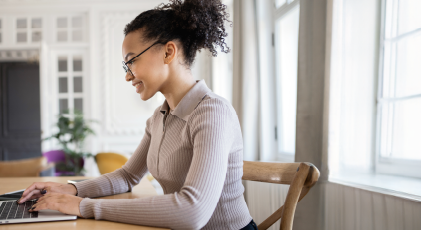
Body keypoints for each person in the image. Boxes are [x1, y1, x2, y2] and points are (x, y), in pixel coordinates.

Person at [18, 0, 255, 229]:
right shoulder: (158, 118)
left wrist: (85, 206)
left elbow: (192, 211)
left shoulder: (212, 113)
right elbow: (127, 176)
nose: (128, 76)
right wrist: (72, 189)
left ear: (168, 52)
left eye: (131, 61)